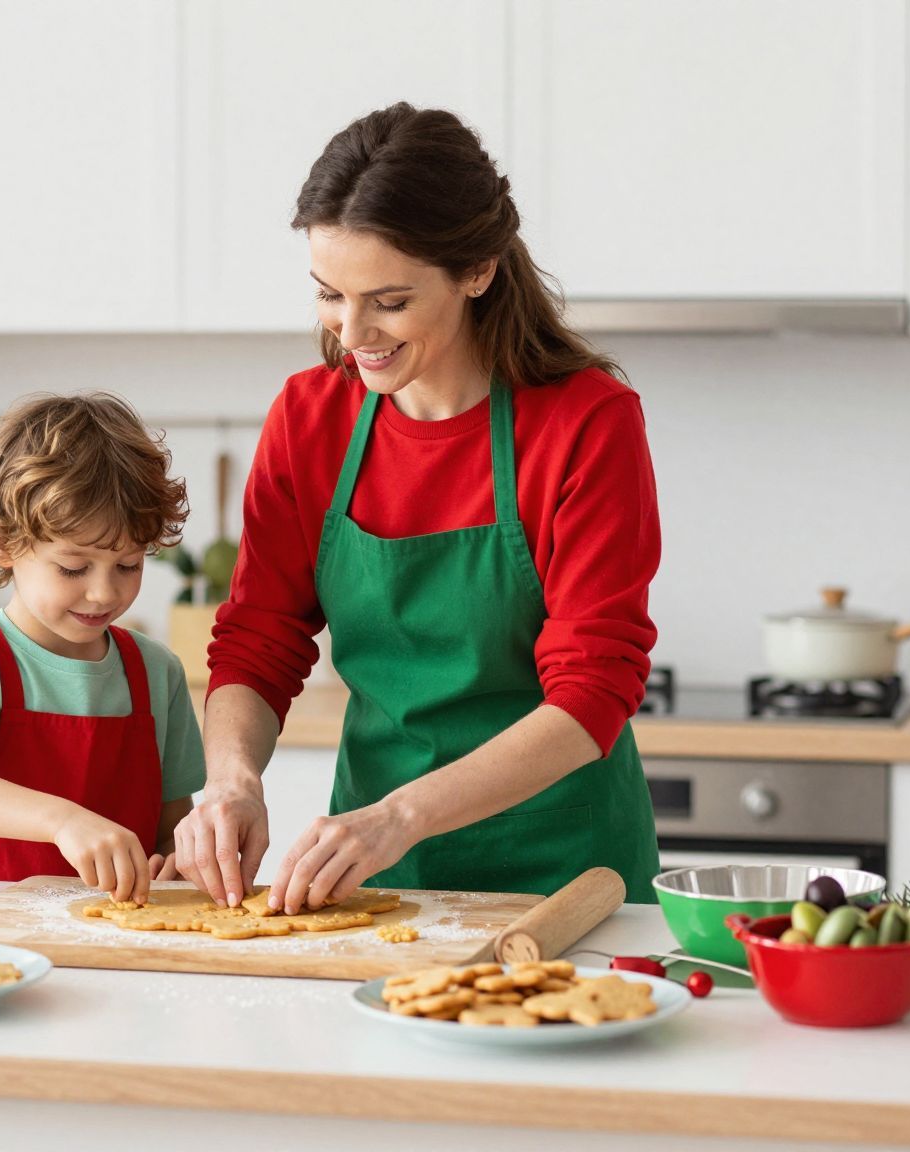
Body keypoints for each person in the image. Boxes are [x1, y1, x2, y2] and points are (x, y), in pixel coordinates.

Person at [177, 103, 662, 914]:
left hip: (567, 879)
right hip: (377, 876)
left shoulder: (586, 423)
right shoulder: (310, 417)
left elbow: (592, 693)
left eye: (390, 301)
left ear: (477, 271)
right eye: (330, 294)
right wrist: (230, 781)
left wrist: (400, 817)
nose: (352, 331)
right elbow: (260, 637)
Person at [0, 392, 203, 901]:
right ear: (2, 544)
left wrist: (179, 860)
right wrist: (62, 820)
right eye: (73, 568)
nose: (104, 592)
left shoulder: (156, 672)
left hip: (120, 935)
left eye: (128, 565)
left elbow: (174, 827)